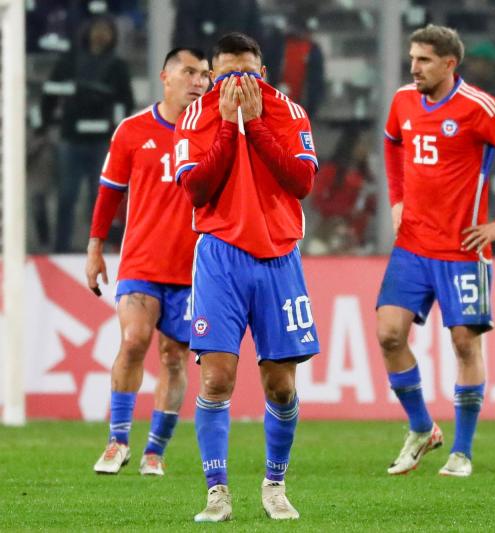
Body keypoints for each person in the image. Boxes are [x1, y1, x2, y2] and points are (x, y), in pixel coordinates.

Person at [377, 24, 495, 477]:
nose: (414, 68)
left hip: (461, 249)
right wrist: (397, 199)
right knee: (389, 334)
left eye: (424, 60)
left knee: (464, 343)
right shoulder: (403, 101)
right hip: (412, 244)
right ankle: (422, 428)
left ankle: (462, 451)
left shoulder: (480, 108)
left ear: (449, 63)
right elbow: (392, 143)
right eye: (412, 58)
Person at [174, 32, 320, 522]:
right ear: (211, 76)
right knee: (217, 378)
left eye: (248, 73)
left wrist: (254, 125)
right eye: (228, 74)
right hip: (220, 257)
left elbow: (301, 182)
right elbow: (196, 189)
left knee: (280, 386)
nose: (238, 82)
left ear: (264, 74)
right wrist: (227, 125)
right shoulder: (196, 116)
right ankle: (217, 492)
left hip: (279, 256)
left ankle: (275, 484)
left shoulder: (288, 113)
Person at [86, 48, 210, 476]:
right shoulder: (133, 130)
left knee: (174, 357)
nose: (198, 81)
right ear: (165, 76)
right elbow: (109, 191)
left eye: (204, 74)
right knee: (134, 340)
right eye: (189, 72)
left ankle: (154, 450)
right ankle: (117, 441)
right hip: (141, 262)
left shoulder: (213, 131)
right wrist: (95, 247)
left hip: (192, 269)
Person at [40, 15, 134, 252]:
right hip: (71, 138)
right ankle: (61, 247)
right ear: (88, 32)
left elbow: (126, 101)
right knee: (66, 196)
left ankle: (98, 247)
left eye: (106, 30)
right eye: (97, 29)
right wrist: (44, 123)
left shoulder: (118, 66)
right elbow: (49, 95)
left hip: (102, 141)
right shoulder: (69, 61)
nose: (101, 35)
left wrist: (117, 131)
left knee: (99, 197)